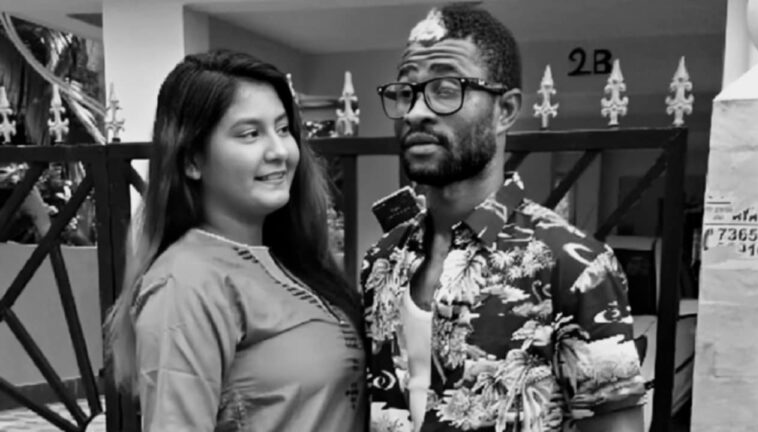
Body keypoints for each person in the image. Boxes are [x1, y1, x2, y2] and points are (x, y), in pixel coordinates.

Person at [363, 4, 646, 432]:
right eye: (406, 92)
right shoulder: (382, 259)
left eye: (445, 89)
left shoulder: (576, 266)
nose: (416, 112)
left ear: (506, 110)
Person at [105, 50, 365, 432]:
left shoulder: (292, 261)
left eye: (283, 129)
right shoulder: (186, 283)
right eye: (250, 134)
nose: (279, 151)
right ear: (192, 160)